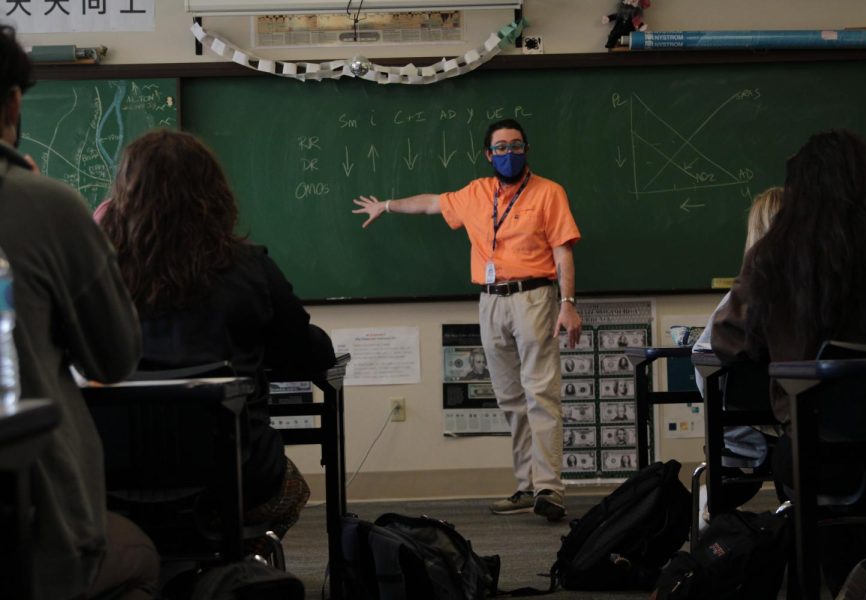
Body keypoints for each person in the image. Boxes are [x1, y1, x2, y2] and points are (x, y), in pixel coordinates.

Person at [98, 129, 336, 551]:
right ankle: (232, 560)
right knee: (292, 490)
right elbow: (301, 354)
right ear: (214, 194)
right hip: (234, 480)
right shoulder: (249, 268)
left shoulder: (94, 272)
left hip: (110, 482)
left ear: (123, 197)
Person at [352, 118, 581, 521]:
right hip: (490, 301)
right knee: (510, 399)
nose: (509, 154)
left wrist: (568, 302)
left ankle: (550, 490)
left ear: (526, 150)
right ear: (488, 155)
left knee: (541, 395)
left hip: (534, 297)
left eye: (517, 146)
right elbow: (429, 203)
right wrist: (386, 206)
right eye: (501, 148)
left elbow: (563, 252)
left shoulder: (549, 192)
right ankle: (526, 486)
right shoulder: (476, 193)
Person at [0, 26, 158, 599]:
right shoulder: (45, 206)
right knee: (137, 558)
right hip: (33, 524)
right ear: (14, 102)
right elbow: (113, 357)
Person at [711, 130, 866, 589]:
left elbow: (727, 339)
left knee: (798, 463)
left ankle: (833, 580)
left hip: (820, 448)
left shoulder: (777, 255)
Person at [693, 187, 784, 469]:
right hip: (811, 433)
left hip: (746, 436)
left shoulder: (737, 301)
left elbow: (703, 364)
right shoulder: (825, 297)